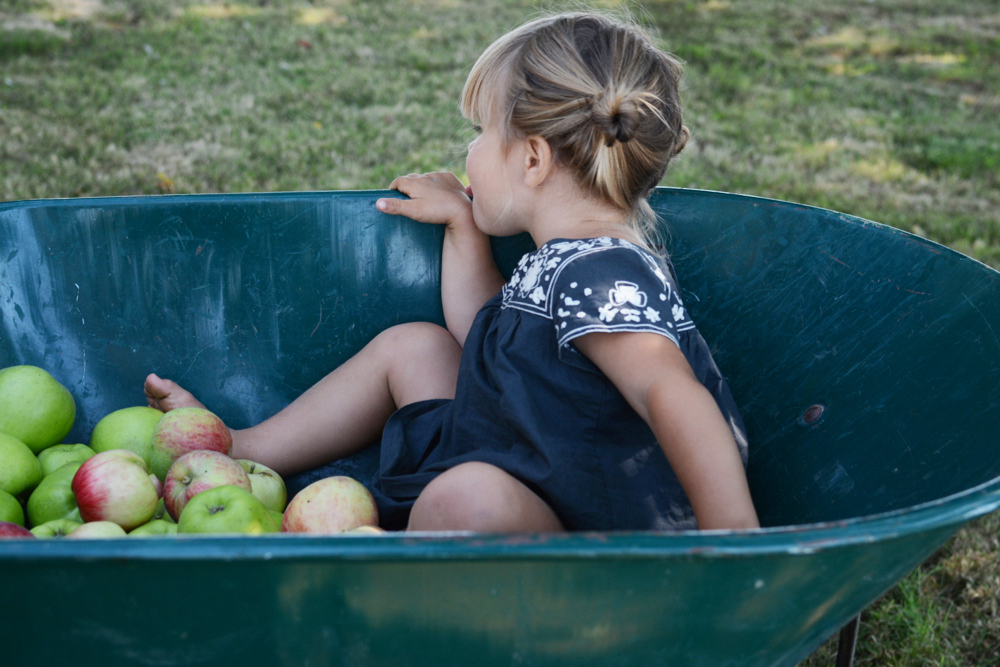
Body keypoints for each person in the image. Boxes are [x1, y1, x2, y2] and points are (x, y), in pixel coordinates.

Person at [145, 11, 760, 533]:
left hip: (588, 532)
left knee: (467, 497)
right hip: (516, 456)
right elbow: (490, 341)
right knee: (414, 348)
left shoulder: (604, 274)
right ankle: (242, 450)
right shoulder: (565, 259)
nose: (467, 151)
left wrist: (735, 546)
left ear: (535, 158)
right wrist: (465, 230)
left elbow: (671, 391)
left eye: (479, 132)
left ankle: (393, 590)